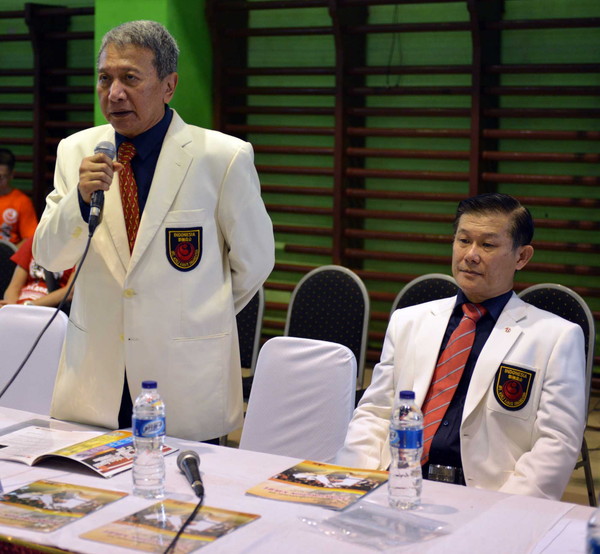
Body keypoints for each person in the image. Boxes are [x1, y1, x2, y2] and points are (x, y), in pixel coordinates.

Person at [33, 20, 274, 441]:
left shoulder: (222, 157)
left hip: (183, 377)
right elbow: (49, 256)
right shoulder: (76, 151)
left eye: (130, 78)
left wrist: (196, 314)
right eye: (105, 78)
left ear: (168, 86)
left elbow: (254, 263)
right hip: (97, 379)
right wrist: (79, 200)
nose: (114, 93)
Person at [336, 192, 586, 500]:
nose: (470, 255)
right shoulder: (408, 321)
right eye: (463, 240)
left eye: (488, 245)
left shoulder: (555, 337)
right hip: (397, 483)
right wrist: (356, 481)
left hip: (486, 496)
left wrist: (504, 510)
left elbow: (557, 442)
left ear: (522, 257)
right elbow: (375, 412)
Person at [0, 236, 75, 308]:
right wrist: (11, 307)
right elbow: (14, 286)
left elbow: (70, 292)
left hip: (49, 307)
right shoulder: (35, 240)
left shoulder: (78, 248)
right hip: (20, 303)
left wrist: (27, 306)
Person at [0, 148, 38, 246]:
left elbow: (30, 238)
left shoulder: (22, 202)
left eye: (1, 177)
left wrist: (12, 254)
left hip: (8, 252)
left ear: (11, 175)